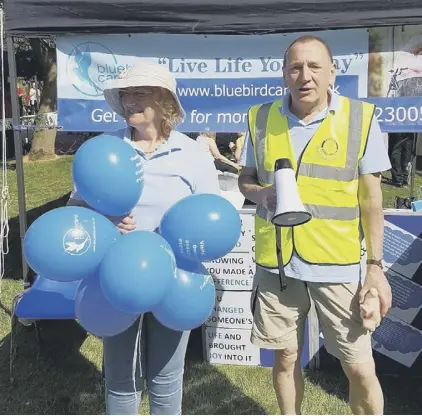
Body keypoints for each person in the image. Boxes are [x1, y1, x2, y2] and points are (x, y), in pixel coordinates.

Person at [238, 35, 392, 415]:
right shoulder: (260, 117)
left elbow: (372, 201)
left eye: (314, 67)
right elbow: (246, 179)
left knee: (358, 366)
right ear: (284, 75)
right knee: (286, 356)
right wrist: (261, 195)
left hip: (336, 264)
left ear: (331, 72)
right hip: (277, 264)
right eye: (295, 67)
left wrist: (375, 268)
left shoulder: (361, 118)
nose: (304, 76)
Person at [67, 61, 220, 415]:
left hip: (175, 280)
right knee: (121, 378)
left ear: (164, 100)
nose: (130, 101)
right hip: (117, 280)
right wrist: (103, 218)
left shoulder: (192, 154)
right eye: (125, 94)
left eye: (139, 93)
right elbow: (76, 211)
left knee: (167, 379)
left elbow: (208, 216)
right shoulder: (105, 150)